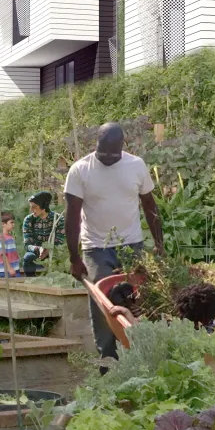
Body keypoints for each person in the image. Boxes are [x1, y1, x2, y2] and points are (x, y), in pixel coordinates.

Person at [64, 122, 164, 362]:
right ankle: (108, 360)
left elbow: (150, 206)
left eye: (113, 153)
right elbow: (72, 216)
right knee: (103, 303)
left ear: (123, 146)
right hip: (97, 248)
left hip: (132, 245)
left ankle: (138, 352)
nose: (108, 158)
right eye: (103, 152)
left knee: (139, 299)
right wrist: (74, 257)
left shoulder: (136, 166)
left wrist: (159, 244)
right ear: (96, 144)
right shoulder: (80, 170)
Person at [21, 191, 64, 275]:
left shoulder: (58, 219)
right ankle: (30, 282)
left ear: (44, 207)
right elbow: (27, 245)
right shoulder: (29, 220)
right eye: (31, 207)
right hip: (36, 253)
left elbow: (60, 242)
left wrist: (47, 250)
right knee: (28, 257)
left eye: (34, 207)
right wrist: (39, 249)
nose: (31, 210)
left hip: (53, 252)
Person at [0, 212, 21, 278]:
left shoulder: (10, 237)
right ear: (3, 224)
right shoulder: (1, 237)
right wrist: (9, 268)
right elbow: (3, 254)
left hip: (14, 269)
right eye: (11, 222)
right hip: (6, 271)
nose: (13, 224)